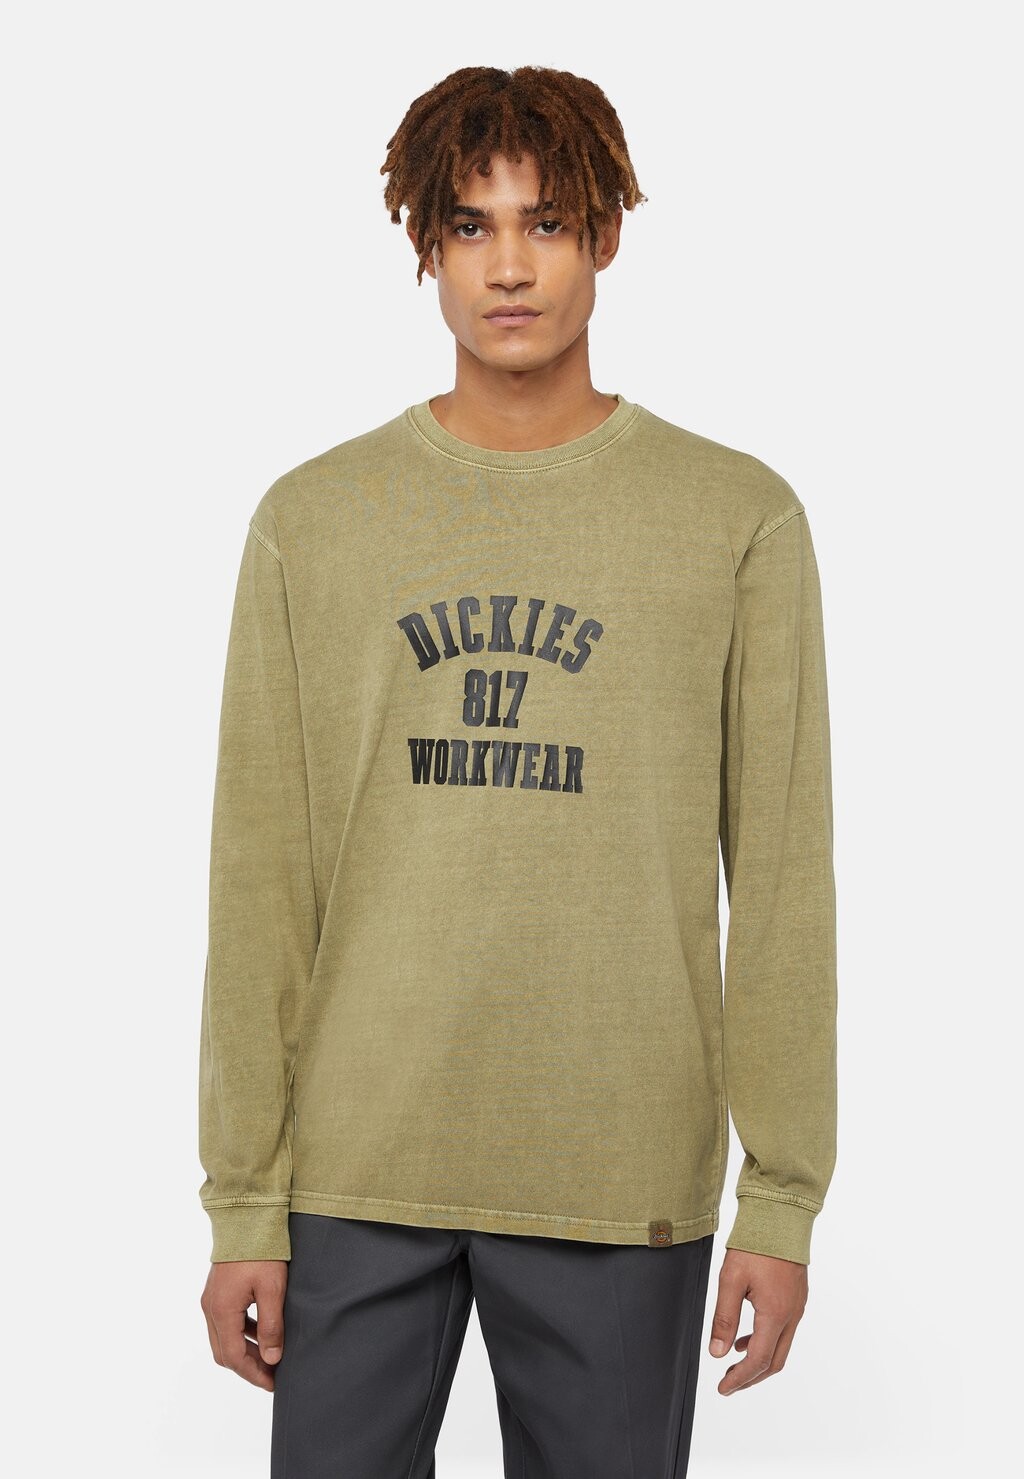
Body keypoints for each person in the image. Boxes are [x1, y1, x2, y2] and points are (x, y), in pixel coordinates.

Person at [197, 64, 838, 1479]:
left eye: (545, 224)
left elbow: (785, 880)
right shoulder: (315, 521)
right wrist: (244, 1198)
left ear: (604, 237)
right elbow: (260, 879)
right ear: (424, 245)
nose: (508, 267)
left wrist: (782, 1197)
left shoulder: (735, 520)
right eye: (470, 226)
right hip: (357, 1170)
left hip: (619, 1167)